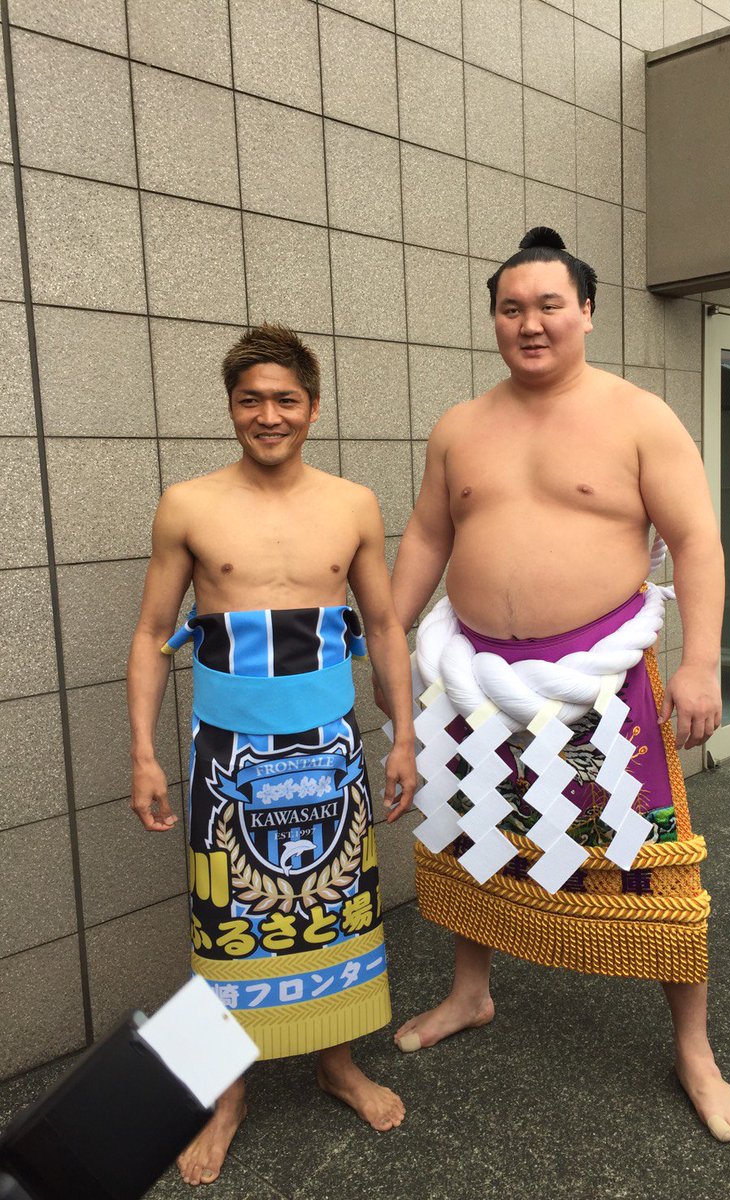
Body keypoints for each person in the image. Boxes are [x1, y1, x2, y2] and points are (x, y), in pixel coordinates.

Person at [383, 228, 730, 1143]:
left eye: (550, 304)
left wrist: (701, 662)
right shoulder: (460, 427)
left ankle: (695, 1050)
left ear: (586, 312)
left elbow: (697, 541)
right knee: (475, 834)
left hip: (602, 683)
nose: (531, 323)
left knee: (653, 857)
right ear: (494, 320)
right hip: (473, 681)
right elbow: (428, 535)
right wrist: (391, 635)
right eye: (512, 308)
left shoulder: (639, 418)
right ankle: (470, 992)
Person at [128, 324, 417, 1186]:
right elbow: (151, 634)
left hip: (332, 740)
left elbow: (383, 625)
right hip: (229, 750)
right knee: (227, 914)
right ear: (230, 408)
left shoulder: (353, 503)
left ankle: (336, 1063)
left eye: (285, 399)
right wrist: (142, 753)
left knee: (338, 900)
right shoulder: (187, 504)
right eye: (250, 399)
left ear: (313, 407)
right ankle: (227, 1094)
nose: (268, 415)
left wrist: (404, 734)